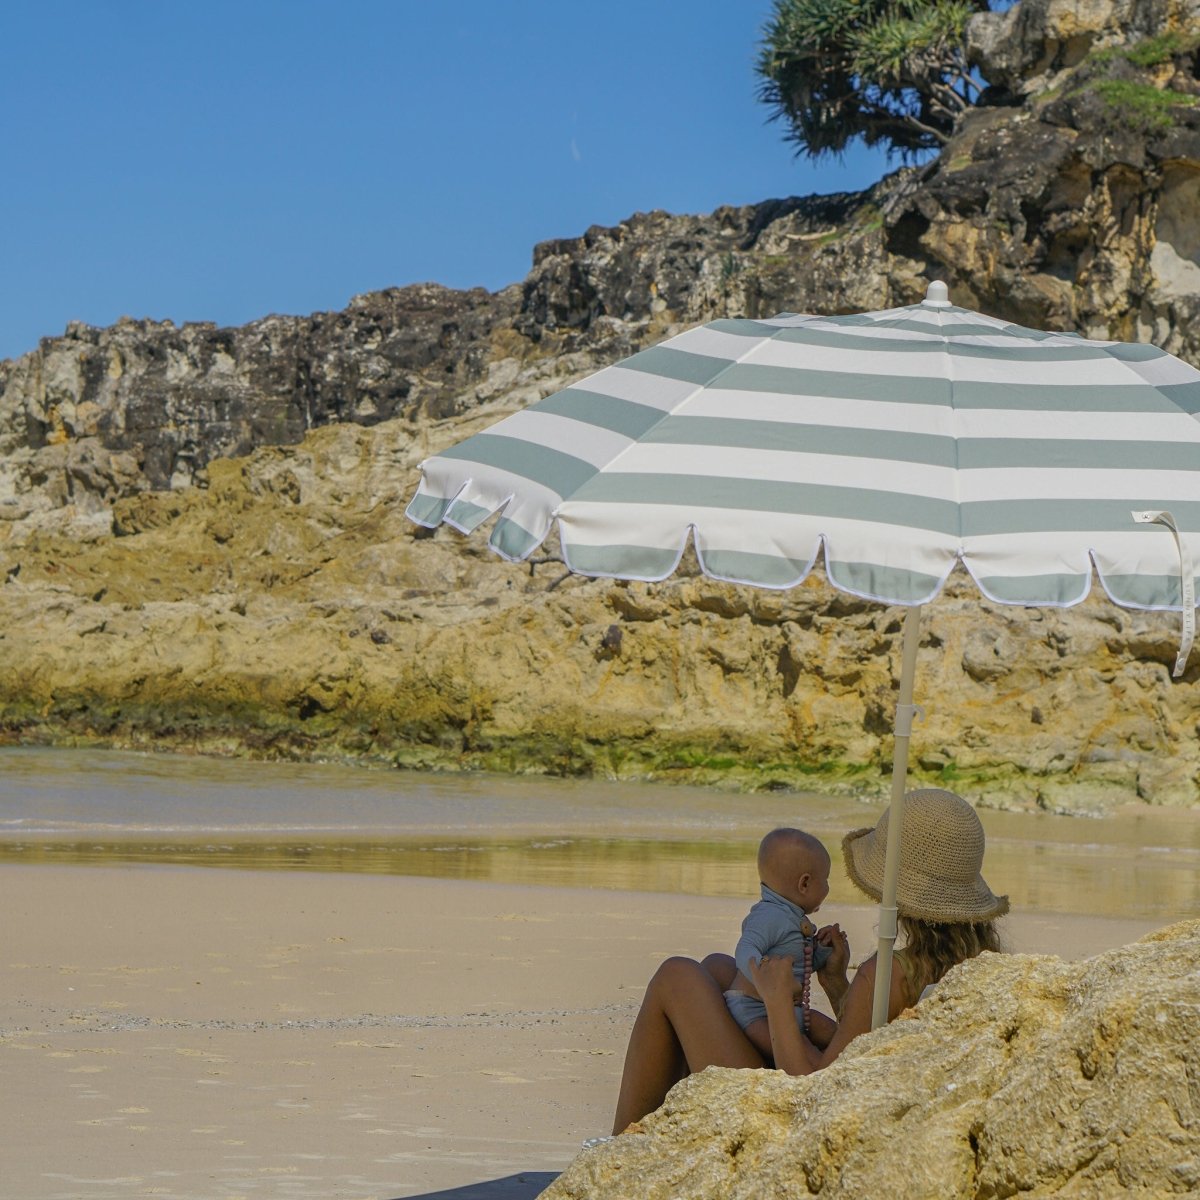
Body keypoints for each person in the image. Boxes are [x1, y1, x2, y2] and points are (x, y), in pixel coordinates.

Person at [609, 788, 1008, 1136]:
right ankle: (655, 1137)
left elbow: (811, 1088)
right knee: (717, 969)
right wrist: (835, 985)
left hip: (798, 1119)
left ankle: (618, 1151)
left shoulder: (885, 975)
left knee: (677, 975)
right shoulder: (970, 965)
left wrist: (779, 1003)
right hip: (855, 1097)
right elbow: (871, 1045)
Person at [723, 827, 835, 1060]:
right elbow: (745, 949)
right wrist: (766, 980)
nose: (828, 888)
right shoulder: (770, 916)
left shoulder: (791, 916)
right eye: (826, 880)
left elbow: (801, 966)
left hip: (789, 1010)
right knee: (803, 1054)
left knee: (832, 1032)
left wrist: (821, 951)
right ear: (804, 884)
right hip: (755, 1012)